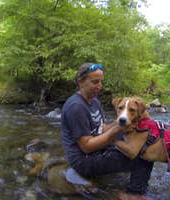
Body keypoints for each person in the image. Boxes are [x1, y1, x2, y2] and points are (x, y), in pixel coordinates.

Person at [61, 63, 153, 200]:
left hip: (99, 148)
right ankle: (134, 194)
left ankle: (133, 184)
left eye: (101, 82)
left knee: (143, 142)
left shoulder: (94, 102)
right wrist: (117, 129)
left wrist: (125, 121)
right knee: (144, 156)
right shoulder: (75, 107)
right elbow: (86, 147)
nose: (100, 86)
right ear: (81, 81)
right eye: (95, 82)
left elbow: (102, 128)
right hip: (83, 160)